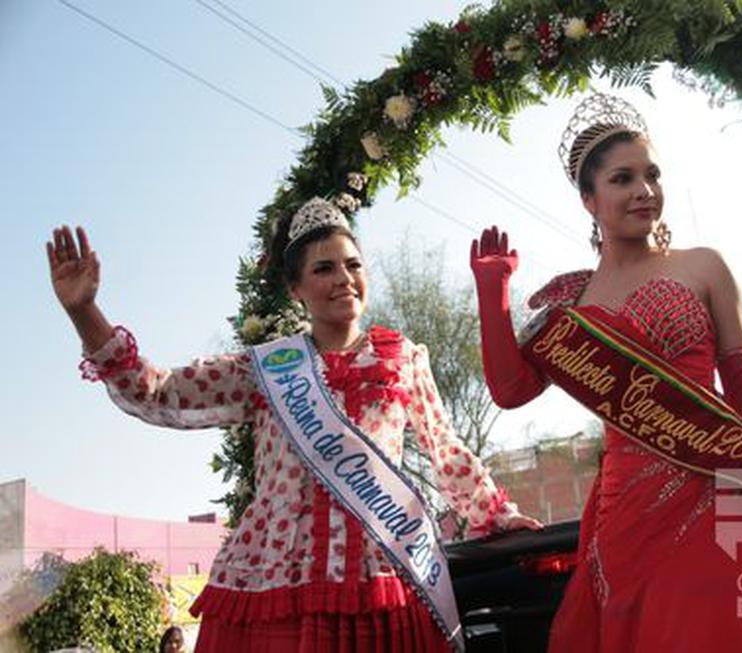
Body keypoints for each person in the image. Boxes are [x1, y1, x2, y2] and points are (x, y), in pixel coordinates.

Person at [470, 94, 742, 652]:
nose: (644, 190)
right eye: (622, 179)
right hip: (630, 508)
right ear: (590, 200)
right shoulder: (572, 305)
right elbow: (511, 392)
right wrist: (492, 290)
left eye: (652, 174)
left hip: (728, 482)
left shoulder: (703, 265)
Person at [46, 196, 539, 652]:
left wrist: (495, 516)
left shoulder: (402, 358)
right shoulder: (267, 369)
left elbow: (445, 449)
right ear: (296, 289)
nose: (343, 278)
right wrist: (85, 311)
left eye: (353, 265)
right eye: (324, 269)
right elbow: (157, 391)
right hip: (273, 584)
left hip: (377, 581)